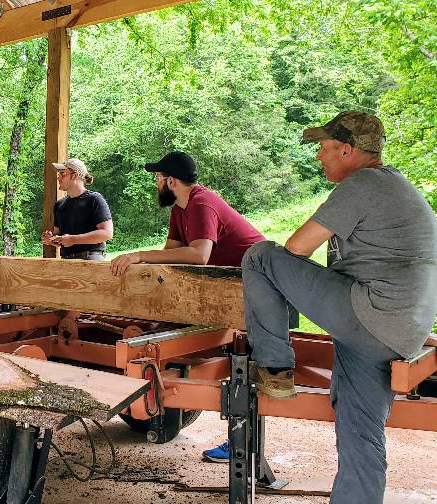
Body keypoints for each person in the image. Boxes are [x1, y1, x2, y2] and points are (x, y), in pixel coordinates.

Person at [242, 111, 437, 503]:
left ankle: (276, 367)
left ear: (348, 150)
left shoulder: (364, 183)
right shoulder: (395, 185)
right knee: (359, 432)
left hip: (371, 314)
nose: (319, 156)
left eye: (324, 148)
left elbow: (297, 247)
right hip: (395, 331)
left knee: (261, 256)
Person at [110, 151, 265, 462]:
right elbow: (172, 254)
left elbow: (199, 256)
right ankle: (241, 442)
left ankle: (243, 444)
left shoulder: (201, 202)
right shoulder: (180, 210)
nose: (156, 184)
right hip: (235, 287)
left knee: (251, 367)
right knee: (244, 364)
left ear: (171, 181)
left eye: (157, 179)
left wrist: (140, 255)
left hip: (261, 284)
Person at [41, 158, 113, 260]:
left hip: (91, 259)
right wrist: (51, 239)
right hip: (66, 261)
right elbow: (60, 237)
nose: (58, 178)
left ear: (75, 175)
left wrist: (72, 239)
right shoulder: (59, 205)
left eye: (62, 173)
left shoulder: (95, 199)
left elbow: (107, 233)